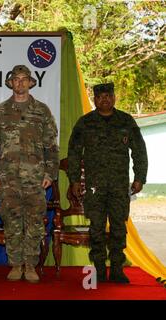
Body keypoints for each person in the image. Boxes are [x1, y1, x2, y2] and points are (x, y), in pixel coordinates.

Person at [67, 82, 148, 283]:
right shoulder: (85, 123)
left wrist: (139, 177)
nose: (105, 99)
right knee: (97, 228)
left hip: (120, 185)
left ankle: (118, 268)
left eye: (109, 96)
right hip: (95, 186)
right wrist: (74, 179)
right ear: (95, 99)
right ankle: (100, 268)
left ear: (114, 97)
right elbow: (74, 153)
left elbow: (139, 150)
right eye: (101, 97)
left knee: (119, 226)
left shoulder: (126, 121)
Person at [0, 65, 59, 283]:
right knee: (12, 222)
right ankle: (16, 265)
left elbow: (51, 145)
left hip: (35, 178)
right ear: (10, 83)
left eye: (24, 79)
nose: (20, 83)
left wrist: (50, 173)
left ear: (30, 82)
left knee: (35, 223)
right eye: (15, 79)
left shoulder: (42, 111)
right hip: (7, 179)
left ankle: (31, 265)